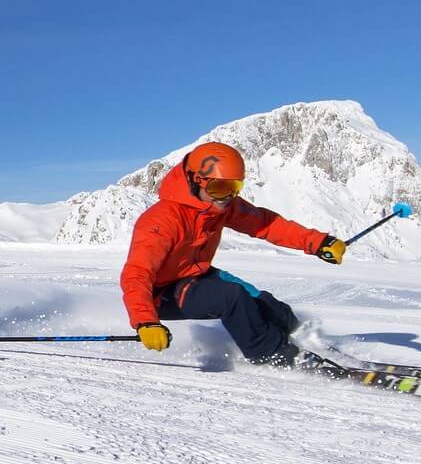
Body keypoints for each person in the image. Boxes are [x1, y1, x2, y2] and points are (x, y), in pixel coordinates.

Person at [120, 141, 348, 366]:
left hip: (196, 275)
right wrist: (146, 322)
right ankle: (273, 356)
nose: (226, 197)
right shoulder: (162, 220)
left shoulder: (218, 207)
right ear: (195, 180)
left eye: (234, 188)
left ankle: (305, 341)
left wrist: (318, 242)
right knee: (232, 298)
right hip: (161, 293)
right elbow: (137, 274)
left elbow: (266, 224)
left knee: (264, 302)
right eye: (218, 188)